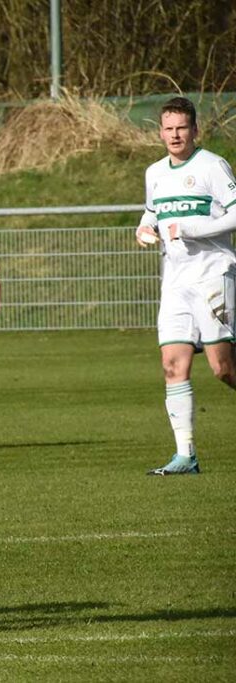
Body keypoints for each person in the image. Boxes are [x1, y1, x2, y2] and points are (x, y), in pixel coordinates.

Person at [135, 96, 236, 475]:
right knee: (172, 364)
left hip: (213, 275)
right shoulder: (155, 172)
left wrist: (193, 228)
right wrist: (144, 227)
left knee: (223, 369)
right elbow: (152, 212)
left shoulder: (212, 166)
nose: (175, 135)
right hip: (175, 281)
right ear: (160, 132)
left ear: (195, 130)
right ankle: (185, 455)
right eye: (169, 128)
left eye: (182, 128)